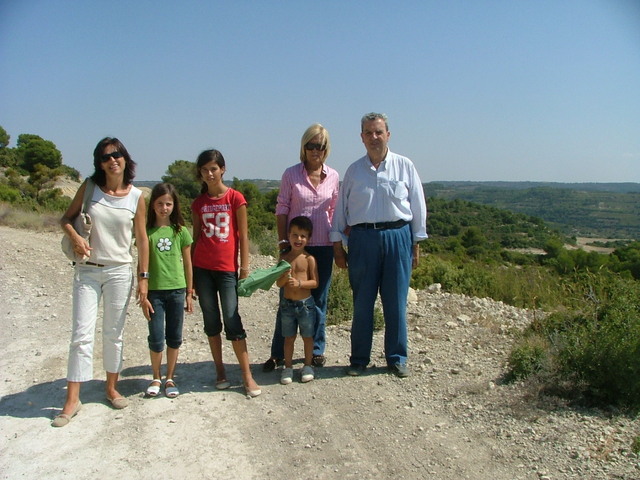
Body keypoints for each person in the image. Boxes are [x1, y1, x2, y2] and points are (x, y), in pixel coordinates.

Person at [54, 137, 149, 427]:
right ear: (99, 162)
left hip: (120, 270)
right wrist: (76, 237)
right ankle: (72, 398)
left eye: (117, 155)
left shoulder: (136, 197)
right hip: (87, 270)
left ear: (125, 159)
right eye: (106, 157)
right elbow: (66, 219)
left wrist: (143, 278)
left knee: (113, 333)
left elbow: (142, 239)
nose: (113, 160)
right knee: (81, 334)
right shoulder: (90, 188)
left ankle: (110, 387)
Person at [330, 113, 427, 378]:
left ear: (388, 134)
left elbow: (418, 205)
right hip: (362, 240)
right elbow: (341, 210)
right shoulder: (354, 171)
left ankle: (396, 358)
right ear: (361, 137)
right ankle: (359, 359)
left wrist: (416, 243)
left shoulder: (404, 166)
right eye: (368, 133)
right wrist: (337, 244)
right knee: (362, 302)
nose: (374, 137)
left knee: (396, 301)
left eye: (379, 132)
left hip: (398, 237)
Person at [263, 123, 339, 372]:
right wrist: (284, 243)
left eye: (321, 146)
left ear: (326, 149)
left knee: (318, 300)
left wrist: (340, 244)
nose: (316, 150)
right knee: (287, 298)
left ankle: (316, 351)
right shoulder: (291, 175)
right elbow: (282, 208)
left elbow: (335, 212)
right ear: (304, 147)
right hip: (295, 248)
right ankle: (277, 354)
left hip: (323, 246)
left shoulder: (334, 176)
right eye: (311, 145)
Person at [191, 149, 261, 397]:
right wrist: (190, 280)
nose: (209, 174)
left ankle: (246, 375)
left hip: (227, 270)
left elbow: (243, 236)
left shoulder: (235, 198)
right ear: (200, 173)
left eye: (213, 168)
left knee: (232, 318)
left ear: (223, 169)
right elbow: (195, 237)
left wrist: (244, 268)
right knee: (211, 320)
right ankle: (220, 371)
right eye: (204, 170)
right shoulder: (198, 203)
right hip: (202, 269)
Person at [141, 183, 193, 398]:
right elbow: (141, 263)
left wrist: (190, 292)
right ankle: (156, 376)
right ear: (153, 205)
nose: (164, 208)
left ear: (174, 206)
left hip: (177, 291)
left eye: (168, 203)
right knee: (155, 337)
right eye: (160, 203)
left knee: (174, 336)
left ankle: (170, 377)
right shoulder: (146, 232)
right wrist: (142, 292)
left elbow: (188, 263)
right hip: (154, 292)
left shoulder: (180, 231)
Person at [275, 216, 319, 385]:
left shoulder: (309, 259)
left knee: (307, 337)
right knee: (288, 337)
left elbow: (315, 282)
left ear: (308, 238)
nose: (298, 239)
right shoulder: (284, 258)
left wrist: (300, 283)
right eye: (295, 235)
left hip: (305, 305)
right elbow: (278, 283)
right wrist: (284, 279)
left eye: (303, 236)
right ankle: (287, 367)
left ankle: (307, 366)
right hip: (287, 304)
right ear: (289, 235)